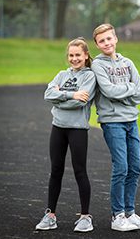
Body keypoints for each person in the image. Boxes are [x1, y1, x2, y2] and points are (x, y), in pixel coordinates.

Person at [91, 23, 140, 232]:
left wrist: (124, 93)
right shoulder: (98, 65)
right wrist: (129, 90)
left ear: (116, 39)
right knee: (122, 168)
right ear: (97, 45)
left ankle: (130, 213)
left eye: (109, 38)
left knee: (135, 167)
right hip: (112, 122)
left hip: (131, 121)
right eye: (102, 41)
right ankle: (117, 216)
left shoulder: (128, 63)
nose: (106, 43)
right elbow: (108, 91)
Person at [35, 38, 96, 233]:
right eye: (71, 55)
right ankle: (50, 214)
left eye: (78, 55)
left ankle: (85, 217)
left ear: (85, 55)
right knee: (56, 170)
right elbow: (47, 95)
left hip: (77, 129)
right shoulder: (62, 74)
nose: (74, 58)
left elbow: (81, 102)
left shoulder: (90, 77)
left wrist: (59, 97)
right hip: (58, 127)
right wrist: (70, 94)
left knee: (80, 171)